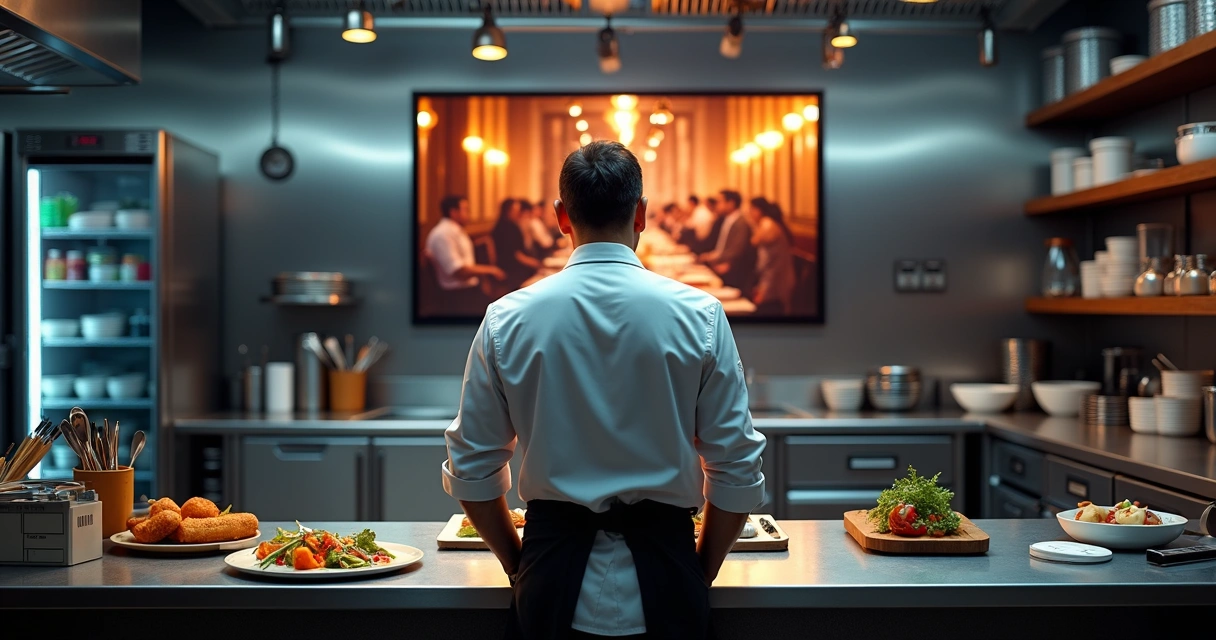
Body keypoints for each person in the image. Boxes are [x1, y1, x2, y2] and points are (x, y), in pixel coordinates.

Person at [442, 141, 766, 640]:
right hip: (669, 572)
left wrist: (519, 564)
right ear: (641, 215)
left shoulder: (507, 318)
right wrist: (699, 570)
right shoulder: (700, 315)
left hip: (549, 578)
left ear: (560, 217)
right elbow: (737, 469)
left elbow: (472, 466)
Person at [424, 194, 506, 316]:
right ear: (453, 212)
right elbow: (458, 271)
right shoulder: (443, 234)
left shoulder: (456, 231)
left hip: (469, 291)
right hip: (456, 297)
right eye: (465, 209)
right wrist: (491, 270)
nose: (469, 214)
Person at [747, 198, 796, 315]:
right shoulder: (770, 223)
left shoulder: (767, 224)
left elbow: (768, 262)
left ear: (759, 210)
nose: (749, 213)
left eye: (751, 209)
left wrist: (763, 289)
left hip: (775, 280)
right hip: (774, 278)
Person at [699, 190, 756, 292]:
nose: (717, 205)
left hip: (736, 270)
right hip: (722, 263)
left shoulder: (740, 222)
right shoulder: (725, 219)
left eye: (720, 201)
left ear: (731, 203)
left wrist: (715, 257)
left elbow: (737, 249)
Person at [491, 198, 543, 290]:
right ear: (507, 211)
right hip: (510, 269)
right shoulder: (507, 228)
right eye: (516, 210)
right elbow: (516, 255)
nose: (518, 213)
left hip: (512, 265)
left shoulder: (507, 225)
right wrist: (535, 263)